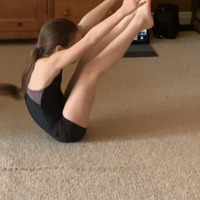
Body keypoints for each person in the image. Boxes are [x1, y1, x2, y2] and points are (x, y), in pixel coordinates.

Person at [0, 0, 153, 143]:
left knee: (86, 55)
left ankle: (134, 18)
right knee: (90, 69)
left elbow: (83, 27)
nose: (79, 42)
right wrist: (122, 12)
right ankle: (138, 23)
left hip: (62, 108)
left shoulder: (47, 50)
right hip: (66, 130)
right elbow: (89, 40)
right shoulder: (48, 64)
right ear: (59, 49)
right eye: (75, 44)